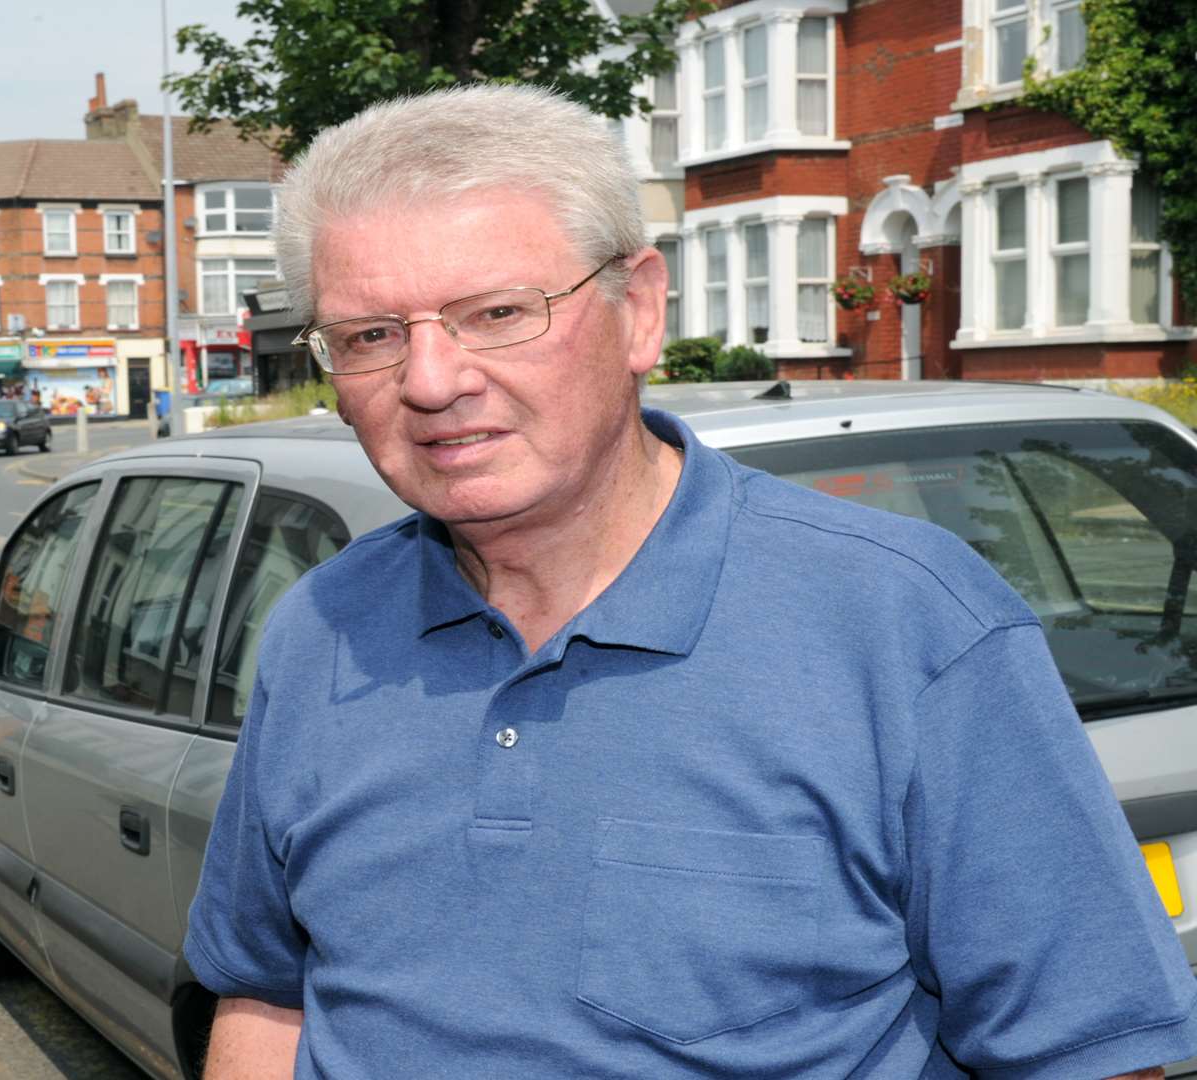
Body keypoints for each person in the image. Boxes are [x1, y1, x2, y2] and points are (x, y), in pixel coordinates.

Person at [182, 85, 1197, 1080]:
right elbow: (267, 997)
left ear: (641, 312)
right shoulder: (323, 624)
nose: (433, 379)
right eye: (371, 336)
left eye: (497, 313)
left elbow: (1090, 1053)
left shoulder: (907, 625)